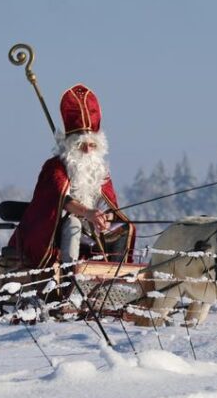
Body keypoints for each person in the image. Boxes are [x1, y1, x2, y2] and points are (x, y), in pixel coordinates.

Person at [9, 83, 135, 269]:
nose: (87, 150)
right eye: (81, 145)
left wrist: (106, 217)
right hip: (56, 227)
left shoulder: (99, 168)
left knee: (125, 228)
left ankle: (115, 276)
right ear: (70, 145)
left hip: (92, 226)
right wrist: (87, 213)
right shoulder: (55, 167)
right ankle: (70, 276)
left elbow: (107, 203)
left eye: (92, 145)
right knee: (73, 224)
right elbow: (61, 200)